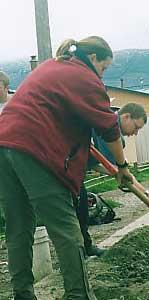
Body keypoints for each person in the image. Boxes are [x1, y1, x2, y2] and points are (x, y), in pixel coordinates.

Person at [0, 36, 136, 300]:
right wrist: (122, 166)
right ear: (94, 58)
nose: (102, 74)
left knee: (18, 226)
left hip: (4, 144)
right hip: (34, 149)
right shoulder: (84, 77)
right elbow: (109, 126)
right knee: (65, 229)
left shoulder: (52, 66)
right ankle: (78, 295)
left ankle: (23, 294)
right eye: (104, 68)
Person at [78, 102, 149, 257]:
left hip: (76, 169)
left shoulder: (118, 140)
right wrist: (119, 174)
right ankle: (78, 252)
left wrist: (123, 176)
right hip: (62, 165)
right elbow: (100, 163)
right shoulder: (105, 126)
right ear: (126, 117)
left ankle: (85, 247)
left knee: (82, 207)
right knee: (77, 208)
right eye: (136, 127)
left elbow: (97, 163)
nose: (136, 133)